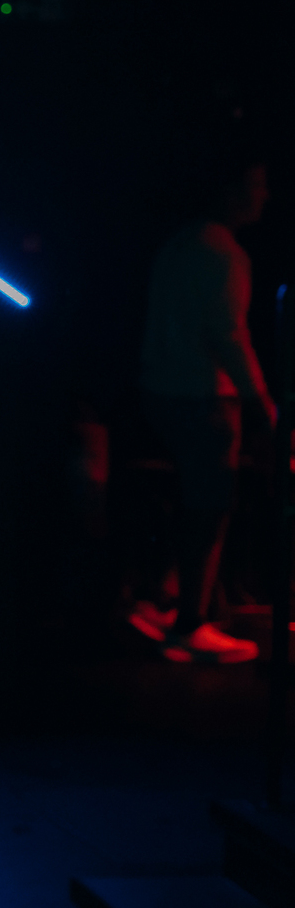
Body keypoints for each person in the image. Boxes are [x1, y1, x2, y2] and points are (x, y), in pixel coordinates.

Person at [132, 158, 274, 663]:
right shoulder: (225, 253)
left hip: (159, 390)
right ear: (231, 189)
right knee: (210, 507)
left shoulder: (180, 244)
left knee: (195, 502)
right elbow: (229, 335)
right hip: (203, 397)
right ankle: (190, 623)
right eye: (257, 184)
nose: (265, 195)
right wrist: (260, 402)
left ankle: (167, 600)